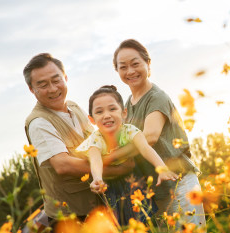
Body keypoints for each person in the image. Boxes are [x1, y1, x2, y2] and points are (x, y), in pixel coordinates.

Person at [23, 53, 135, 233]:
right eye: (43, 84)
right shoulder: (38, 122)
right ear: (32, 89)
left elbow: (96, 142)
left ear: (65, 77)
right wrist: (118, 170)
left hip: (97, 208)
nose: (53, 88)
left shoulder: (74, 107)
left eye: (56, 80)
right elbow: (63, 165)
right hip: (70, 219)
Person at [111, 39, 208, 233]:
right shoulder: (128, 103)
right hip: (160, 190)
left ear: (148, 63)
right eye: (123, 67)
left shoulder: (157, 97)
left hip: (180, 182)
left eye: (135, 63)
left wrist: (112, 157)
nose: (130, 71)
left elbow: (150, 137)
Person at [76, 85, 179, 225]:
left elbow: (145, 148)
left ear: (124, 113)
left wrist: (162, 168)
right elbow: (95, 160)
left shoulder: (130, 130)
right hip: (110, 183)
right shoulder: (95, 139)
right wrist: (97, 179)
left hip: (133, 178)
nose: (107, 115)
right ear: (92, 119)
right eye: (99, 112)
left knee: (145, 219)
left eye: (112, 109)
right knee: (119, 223)